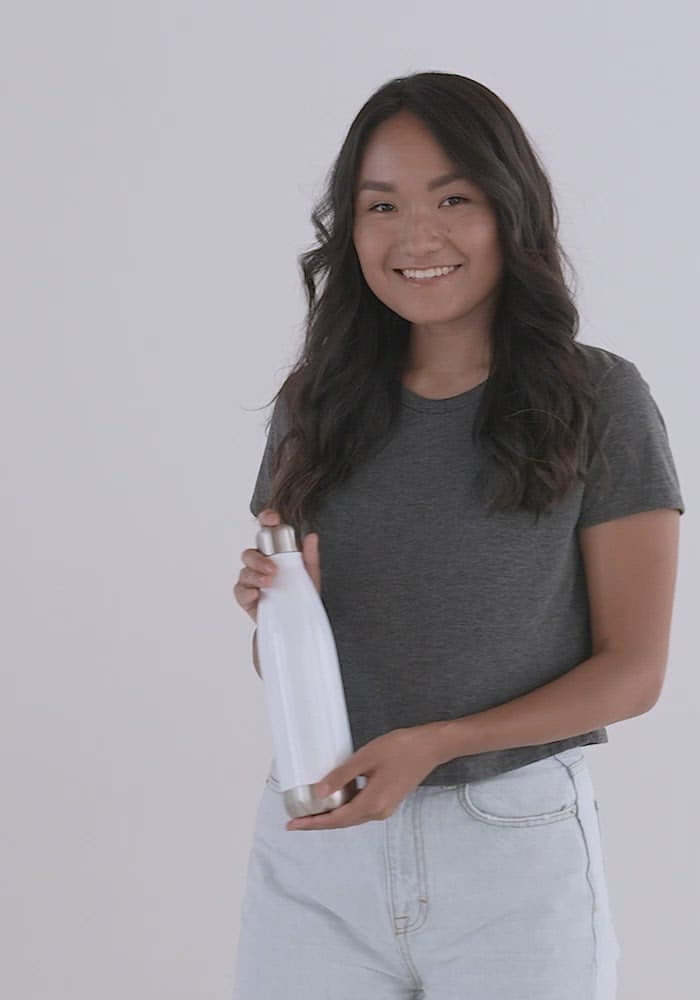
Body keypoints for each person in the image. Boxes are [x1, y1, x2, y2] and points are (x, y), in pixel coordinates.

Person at [232, 72, 685, 1000]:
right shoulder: (312, 408)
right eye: (381, 205)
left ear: (509, 212)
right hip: (317, 837)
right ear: (348, 229)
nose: (416, 236)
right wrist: (277, 622)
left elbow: (632, 670)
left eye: (452, 199)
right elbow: (300, 668)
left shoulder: (598, 399)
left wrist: (439, 742)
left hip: (508, 849)